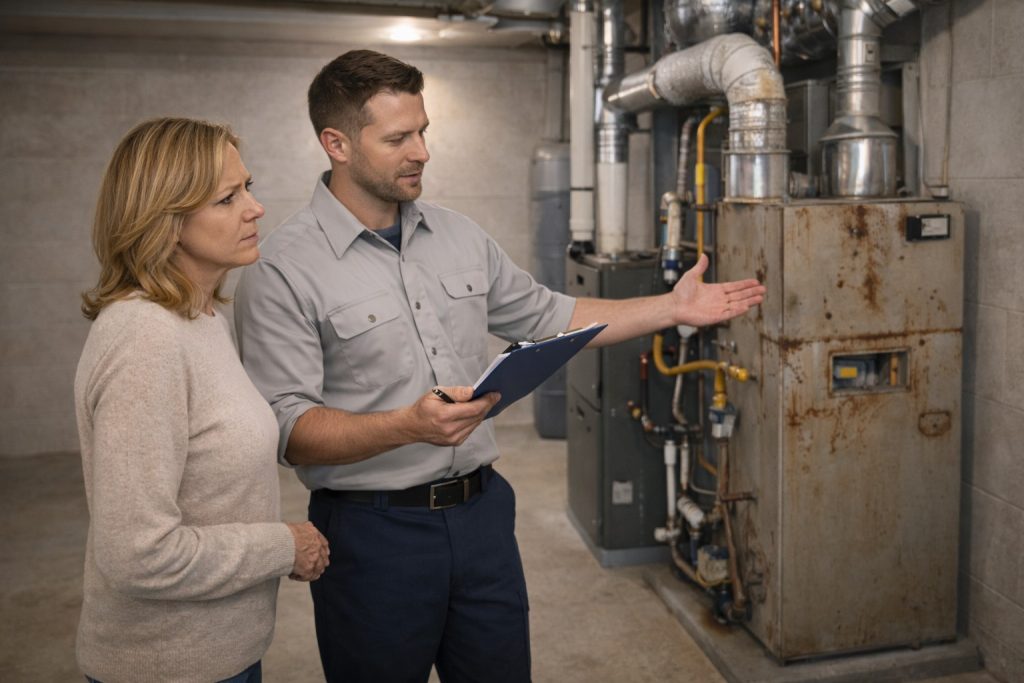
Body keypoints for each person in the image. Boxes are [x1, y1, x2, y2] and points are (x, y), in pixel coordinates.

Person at [234, 50, 765, 683]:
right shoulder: (282, 270)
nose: (422, 151)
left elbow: (550, 315)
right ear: (336, 143)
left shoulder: (459, 235)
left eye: (424, 131)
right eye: (398, 137)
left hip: (483, 518)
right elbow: (290, 431)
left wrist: (670, 307)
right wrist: (409, 425)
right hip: (373, 535)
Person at [74, 117, 330, 683]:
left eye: (249, 186)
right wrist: (281, 546)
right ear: (165, 221)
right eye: (226, 197)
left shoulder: (200, 316)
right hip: (165, 665)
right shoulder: (145, 338)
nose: (255, 208)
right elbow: (137, 555)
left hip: (221, 653)